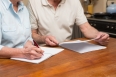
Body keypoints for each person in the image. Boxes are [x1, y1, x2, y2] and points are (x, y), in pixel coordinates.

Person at [27, 0, 109, 46]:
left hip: (67, 49)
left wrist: (99, 35)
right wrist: (44, 39)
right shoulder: (33, 2)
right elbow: (32, 34)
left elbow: (86, 27)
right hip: (44, 51)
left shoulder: (74, 2)